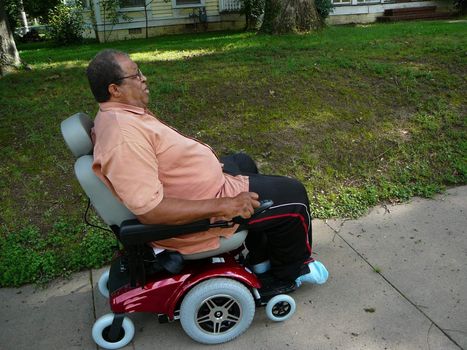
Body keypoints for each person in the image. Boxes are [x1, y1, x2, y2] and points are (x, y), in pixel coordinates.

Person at [86, 49, 328, 289]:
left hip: (201, 189)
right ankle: (290, 272)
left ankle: (261, 259)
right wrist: (225, 204)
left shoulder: (119, 116)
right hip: (198, 214)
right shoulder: (123, 137)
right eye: (136, 75)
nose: (144, 78)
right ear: (114, 89)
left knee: (242, 161)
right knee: (294, 197)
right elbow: (151, 211)